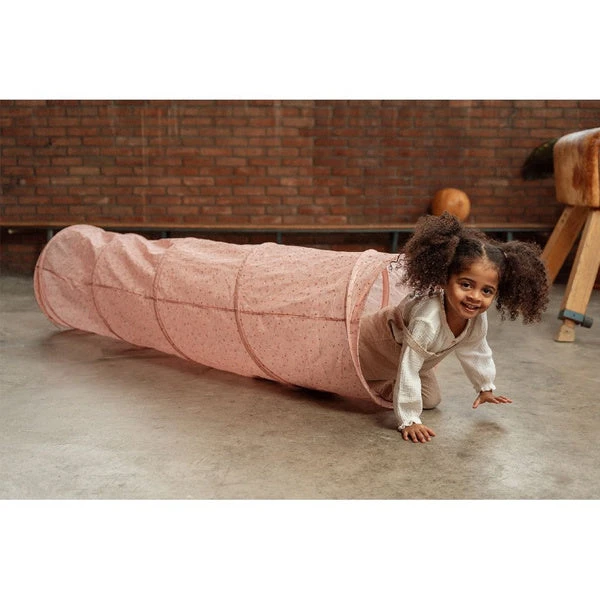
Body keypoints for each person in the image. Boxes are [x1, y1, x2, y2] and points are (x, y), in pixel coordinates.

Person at [358, 212, 550, 443]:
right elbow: (409, 365)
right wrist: (409, 420)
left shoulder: (476, 318)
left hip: (416, 359)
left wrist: (484, 387)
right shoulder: (427, 320)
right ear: (444, 280)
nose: (475, 297)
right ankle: (372, 381)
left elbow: (476, 350)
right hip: (373, 345)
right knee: (356, 377)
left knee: (430, 401)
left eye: (486, 291)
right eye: (466, 285)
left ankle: (387, 383)